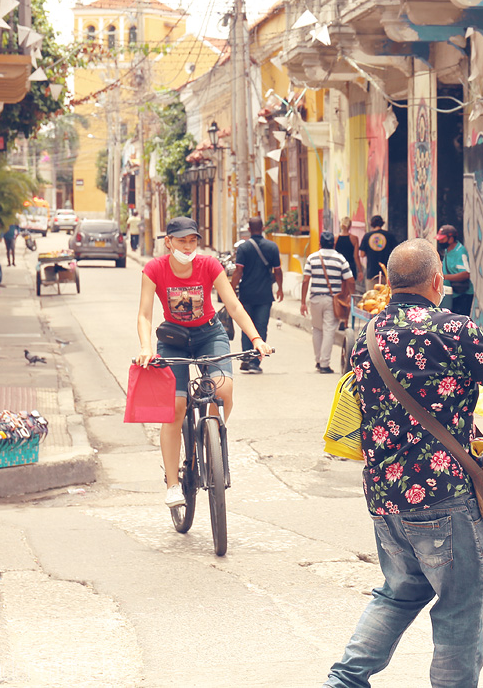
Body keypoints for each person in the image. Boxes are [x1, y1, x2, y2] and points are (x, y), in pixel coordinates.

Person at [323, 239, 483, 688]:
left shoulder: (368, 334)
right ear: (437, 281)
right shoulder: (452, 329)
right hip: (442, 495)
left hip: (384, 497)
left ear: (390, 283)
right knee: (461, 607)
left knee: (397, 593)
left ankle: (344, 681)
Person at [135, 217, 272, 508]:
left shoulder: (209, 265)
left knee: (223, 390)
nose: (188, 246)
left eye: (192, 240)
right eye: (181, 240)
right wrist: (146, 348)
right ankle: (173, 484)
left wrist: (256, 339)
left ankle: (211, 435)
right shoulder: (154, 269)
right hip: (172, 339)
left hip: (210, 334)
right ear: (168, 242)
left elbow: (233, 305)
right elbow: (145, 313)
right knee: (175, 408)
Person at [231, 217, 282, 375]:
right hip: (265, 295)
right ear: (263, 228)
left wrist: (231, 288)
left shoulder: (244, 248)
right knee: (260, 328)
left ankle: (246, 359)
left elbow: (239, 271)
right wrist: (280, 288)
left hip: (247, 294)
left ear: (250, 228)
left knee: (247, 327)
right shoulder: (272, 247)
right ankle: (254, 362)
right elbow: (277, 270)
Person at [302, 231, 354, 374]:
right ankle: (324, 364)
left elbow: (306, 280)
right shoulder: (340, 259)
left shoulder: (312, 258)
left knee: (317, 329)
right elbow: (350, 279)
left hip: (315, 299)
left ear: (320, 243)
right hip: (332, 300)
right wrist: (350, 295)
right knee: (329, 329)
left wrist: (302, 302)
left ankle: (318, 361)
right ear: (334, 244)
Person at [436, 224, 474, 317]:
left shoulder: (460, 252)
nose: (440, 241)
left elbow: (466, 274)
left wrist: (444, 277)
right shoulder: (447, 250)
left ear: (451, 238)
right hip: (451, 294)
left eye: (443, 239)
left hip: (462, 294)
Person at [358, 215, 397, 283]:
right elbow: (395, 251)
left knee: (372, 293)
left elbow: (362, 254)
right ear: (382, 223)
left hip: (371, 272)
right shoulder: (389, 235)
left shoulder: (367, 236)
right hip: (386, 272)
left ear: (371, 224)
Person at [335, 216, 361, 283]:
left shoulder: (335, 238)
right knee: (350, 291)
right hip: (350, 266)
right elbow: (356, 256)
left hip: (338, 266)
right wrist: (360, 270)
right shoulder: (354, 238)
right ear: (350, 226)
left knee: (340, 290)